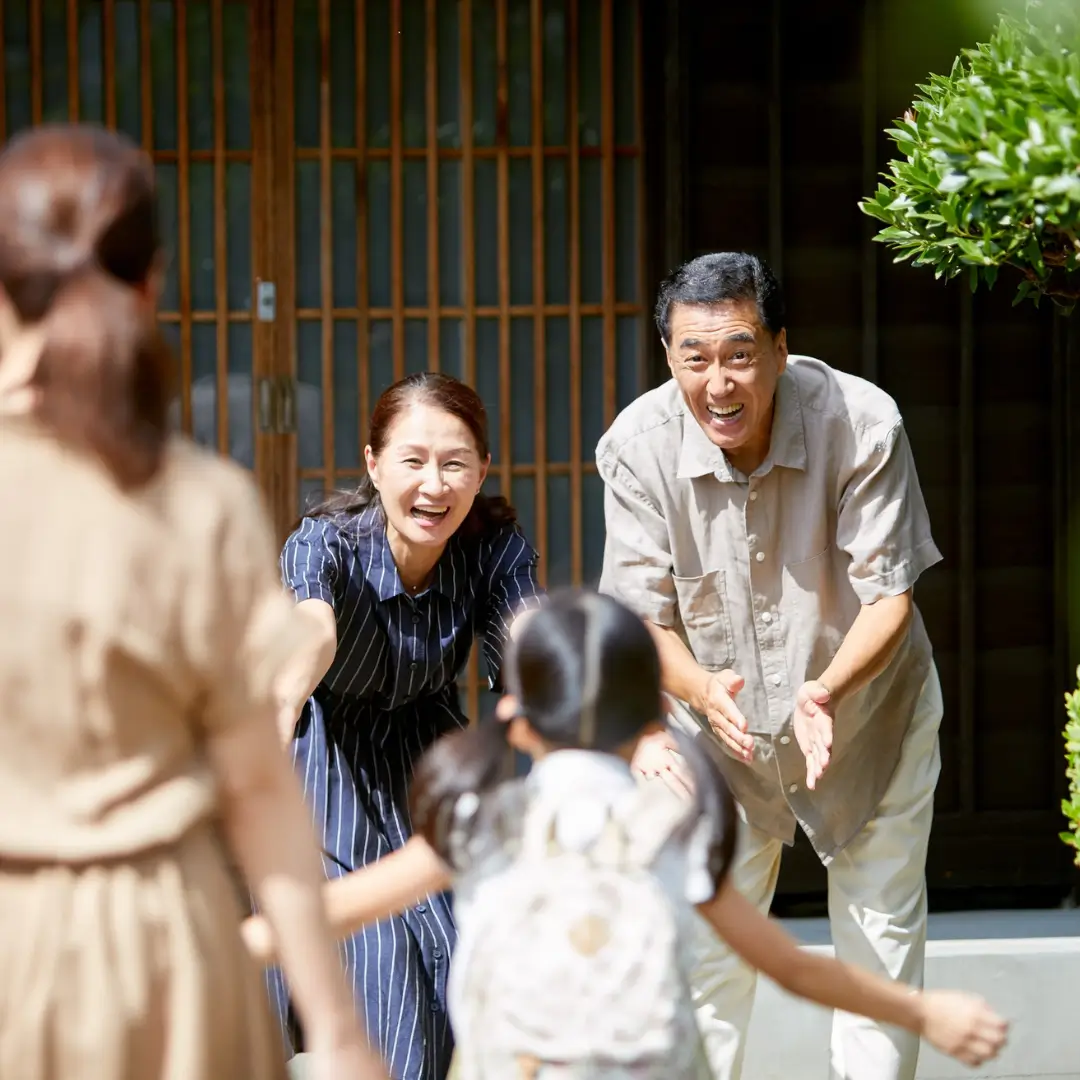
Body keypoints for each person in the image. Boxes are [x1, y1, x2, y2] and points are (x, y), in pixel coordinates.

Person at [241, 590, 1007, 1078]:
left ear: (515, 720)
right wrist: (922, 1012)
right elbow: (792, 967)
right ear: (650, 723)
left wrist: (214, 943)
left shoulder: (488, 825)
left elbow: (322, 915)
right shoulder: (668, 832)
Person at [0, 125, 381, 1080]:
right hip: (172, 949)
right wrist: (337, 1032)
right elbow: (259, 786)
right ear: (153, 281)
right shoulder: (200, 501)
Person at [595, 251, 946, 1080]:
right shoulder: (636, 448)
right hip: (718, 741)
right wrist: (700, 690)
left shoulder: (862, 423)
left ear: (782, 349)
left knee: (877, 964)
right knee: (704, 961)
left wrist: (823, 690)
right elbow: (641, 617)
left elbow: (889, 596)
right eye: (695, 357)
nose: (718, 382)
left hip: (867, 721)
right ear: (669, 356)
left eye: (740, 354)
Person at [268, 371, 543, 1079]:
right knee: (383, 950)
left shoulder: (494, 547)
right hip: (327, 759)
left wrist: (586, 724)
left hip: (430, 764)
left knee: (457, 953)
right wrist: (280, 708)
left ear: (482, 469)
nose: (433, 485)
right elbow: (312, 629)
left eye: (454, 463)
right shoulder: (324, 542)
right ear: (373, 463)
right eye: (413, 461)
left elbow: (528, 642)